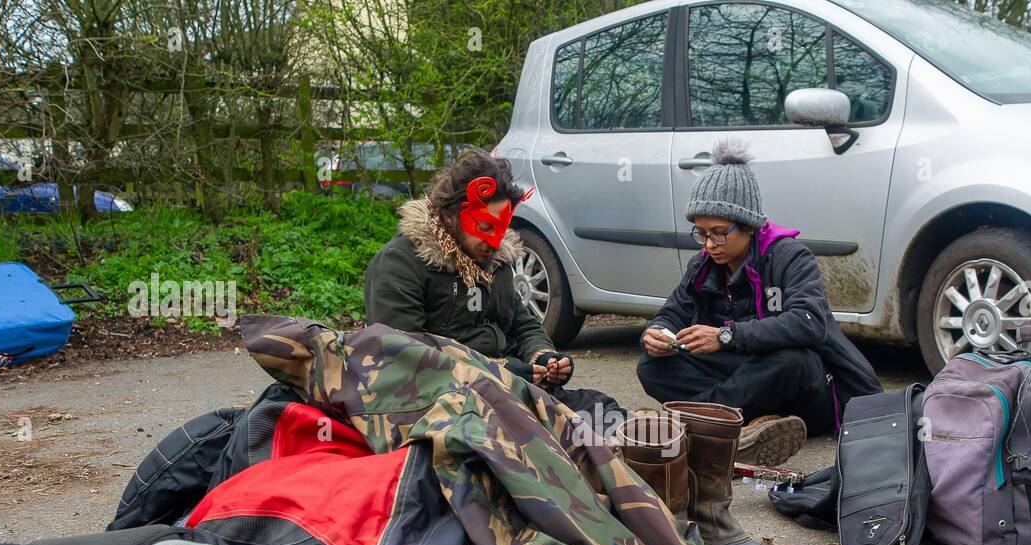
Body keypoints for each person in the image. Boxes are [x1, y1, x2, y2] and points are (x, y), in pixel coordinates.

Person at [636, 139, 880, 466]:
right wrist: (657, 334)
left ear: (749, 225)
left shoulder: (790, 257)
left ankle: (700, 428)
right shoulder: (702, 267)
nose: (709, 244)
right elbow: (671, 313)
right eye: (701, 233)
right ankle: (740, 428)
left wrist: (726, 336)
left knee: (793, 362)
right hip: (748, 384)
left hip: (804, 390)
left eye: (719, 232)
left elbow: (809, 322)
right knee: (651, 368)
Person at [364, 149, 576, 392]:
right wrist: (499, 371)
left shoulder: (495, 262)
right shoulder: (399, 264)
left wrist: (544, 358)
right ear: (452, 215)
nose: (495, 242)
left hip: (503, 390)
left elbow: (522, 325)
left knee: (594, 411)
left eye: (502, 227)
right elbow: (404, 356)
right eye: (485, 226)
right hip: (436, 400)